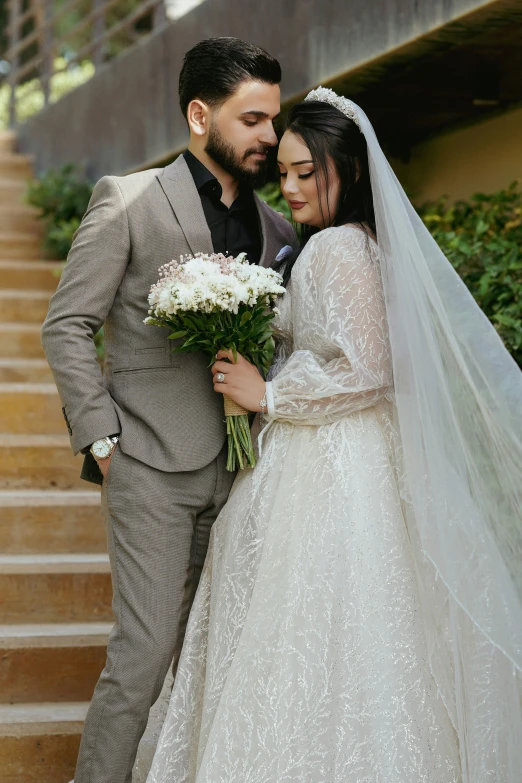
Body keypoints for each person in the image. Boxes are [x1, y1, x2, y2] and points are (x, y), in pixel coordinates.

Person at [143, 89, 522, 782]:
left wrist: (270, 392)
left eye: (305, 172)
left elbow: (371, 368)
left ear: (345, 168)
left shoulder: (339, 248)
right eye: (282, 172)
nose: (288, 187)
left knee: (314, 628)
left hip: (333, 462)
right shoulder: (339, 246)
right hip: (339, 453)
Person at [41, 37, 295, 783]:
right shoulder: (127, 199)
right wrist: (102, 439)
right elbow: (67, 324)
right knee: (145, 653)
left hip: (246, 474)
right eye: (252, 120)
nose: (269, 138)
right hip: (149, 465)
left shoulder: (278, 231)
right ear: (198, 114)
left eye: (272, 121)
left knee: (216, 657)